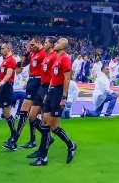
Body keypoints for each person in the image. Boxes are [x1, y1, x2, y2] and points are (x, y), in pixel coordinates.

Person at [30, 38, 77, 167]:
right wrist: (48, 92)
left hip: (59, 92)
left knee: (53, 126)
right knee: (45, 123)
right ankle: (44, 157)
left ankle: (70, 145)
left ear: (62, 46)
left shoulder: (65, 58)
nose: (55, 44)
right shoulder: (56, 58)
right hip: (52, 92)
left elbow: (67, 78)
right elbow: (53, 77)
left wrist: (63, 97)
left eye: (57, 43)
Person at [12, 39, 46, 150]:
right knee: (31, 113)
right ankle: (32, 140)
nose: (31, 46)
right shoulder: (32, 53)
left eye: (33, 44)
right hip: (32, 81)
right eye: (30, 45)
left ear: (39, 43)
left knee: (25, 110)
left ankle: (15, 139)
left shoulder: (43, 53)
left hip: (39, 82)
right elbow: (23, 64)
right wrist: (27, 52)